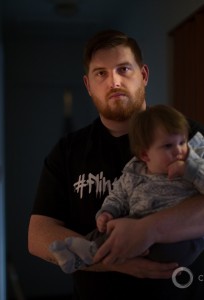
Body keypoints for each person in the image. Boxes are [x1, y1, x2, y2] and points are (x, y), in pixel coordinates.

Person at [28, 29, 204, 299]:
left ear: (143, 75)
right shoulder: (67, 151)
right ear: (88, 85)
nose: (114, 81)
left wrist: (148, 229)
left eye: (124, 69)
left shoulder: (184, 135)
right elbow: (38, 236)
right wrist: (114, 260)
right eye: (101, 73)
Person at [49, 104, 204, 274]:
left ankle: (103, 252)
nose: (179, 151)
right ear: (145, 155)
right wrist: (108, 211)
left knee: (169, 248)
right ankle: (83, 254)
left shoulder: (191, 166)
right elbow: (119, 195)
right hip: (136, 223)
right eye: (168, 146)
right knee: (109, 231)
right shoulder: (133, 173)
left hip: (179, 238)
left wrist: (191, 171)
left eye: (182, 142)